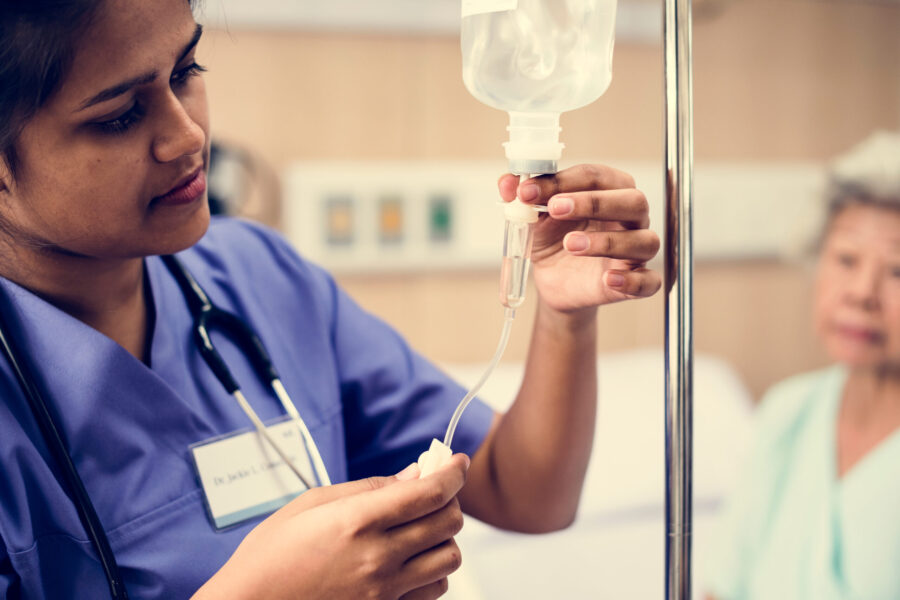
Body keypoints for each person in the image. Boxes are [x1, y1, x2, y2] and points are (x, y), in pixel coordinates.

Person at [0, 0, 662, 598]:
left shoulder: (260, 277)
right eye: (119, 116)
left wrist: (563, 316)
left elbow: (530, 494)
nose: (187, 136)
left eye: (185, 71)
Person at [704, 130, 900, 600]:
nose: (861, 292)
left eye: (897, 270)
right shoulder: (788, 411)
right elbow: (723, 586)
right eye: (846, 259)